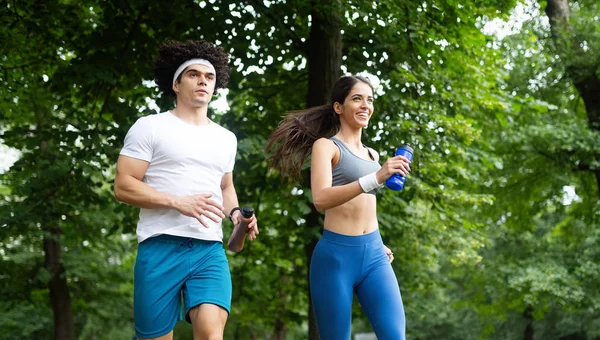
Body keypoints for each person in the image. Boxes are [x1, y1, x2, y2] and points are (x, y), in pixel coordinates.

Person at [114, 39, 259, 340]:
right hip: (159, 247)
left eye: (209, 77)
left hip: (208, 249)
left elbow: (225, 186)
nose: (203, 81)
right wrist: (177, 202)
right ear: (176, 84)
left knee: (210, 334)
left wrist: (235, 214)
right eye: (194, 74)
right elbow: (123, 185)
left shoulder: (226, 138)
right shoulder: (150, 127)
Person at [266, 75, 410, 339]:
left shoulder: (373, 154)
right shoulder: (327, 146)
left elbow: (365, 205)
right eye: (357, 98)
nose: (365, 105)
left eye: (370, 100)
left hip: (375, 254)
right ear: (338, 107)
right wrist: (376, 177)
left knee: (395, 335)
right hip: (335, 258)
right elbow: (321, 199)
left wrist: (377, 242)